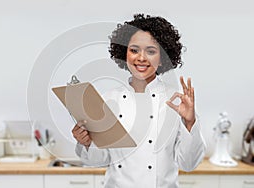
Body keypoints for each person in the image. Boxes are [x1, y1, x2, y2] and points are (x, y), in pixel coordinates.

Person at [72, 14, 206, 188]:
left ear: (162, 58)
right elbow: (100, 159)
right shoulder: (109, 100)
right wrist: (86, 142)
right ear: (124, 53)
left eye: (150, 51)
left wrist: (190, 122)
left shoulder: (176, 102)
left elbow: (188, 164)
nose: (141, 58)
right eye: (134, 50)